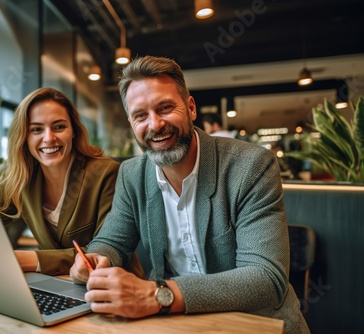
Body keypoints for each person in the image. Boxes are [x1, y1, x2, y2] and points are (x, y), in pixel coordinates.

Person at [69, 56, 309, 334]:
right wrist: (97, 257)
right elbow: (112, 240)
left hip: (255, 323)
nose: (155, 124)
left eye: (166, 108)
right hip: (176, 325)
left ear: (191, 107)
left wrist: (158, 295)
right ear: (131, 123)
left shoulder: (251, 165)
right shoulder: (131, 174)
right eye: (141, 115)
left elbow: (265, 278)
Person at [0, 87, 143, 277]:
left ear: (73, 131)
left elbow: (105, 252)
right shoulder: (21, 175)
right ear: (24, 136)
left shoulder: (105, 173)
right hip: (55, 285)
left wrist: (31, 259)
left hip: (112, 286)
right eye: (37, 129)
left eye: (59, 127)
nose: (49, 138)